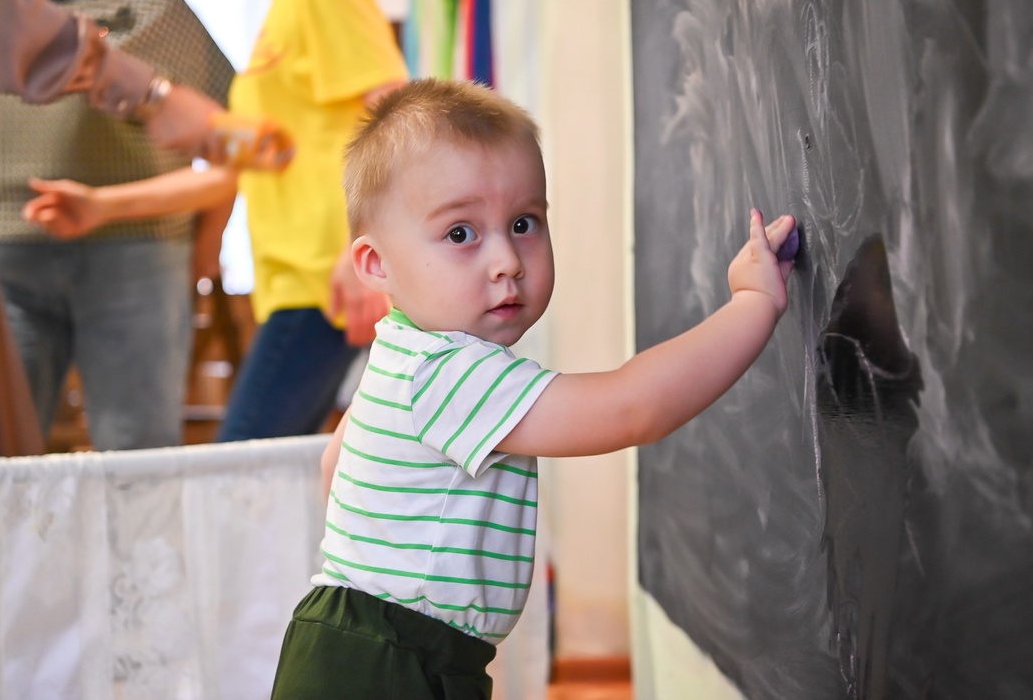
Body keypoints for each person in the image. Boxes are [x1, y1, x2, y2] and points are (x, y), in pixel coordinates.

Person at [269, 78, 798, 698]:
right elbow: (632, 408)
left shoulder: (402, 351)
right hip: (386, 661)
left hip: (365, 646)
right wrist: (753, 304)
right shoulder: (450, 372)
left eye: (524, 223)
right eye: (461, 233)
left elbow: (336, 466)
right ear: (376, 264)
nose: (507, 261)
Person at [23, 0, 409, 444]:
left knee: (242, 459)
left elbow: (398, 113)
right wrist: (101, 206)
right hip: (296, 283)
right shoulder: (281, 13)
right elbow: (235, 173)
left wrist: (362, 244)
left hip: (327, 282)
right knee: (275, 463)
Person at [0, 0, 285, 460]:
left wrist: (207, 248)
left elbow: (226, 145)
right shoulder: (0, 8)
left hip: (137, 253)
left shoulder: (161, 11)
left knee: (138, 450)